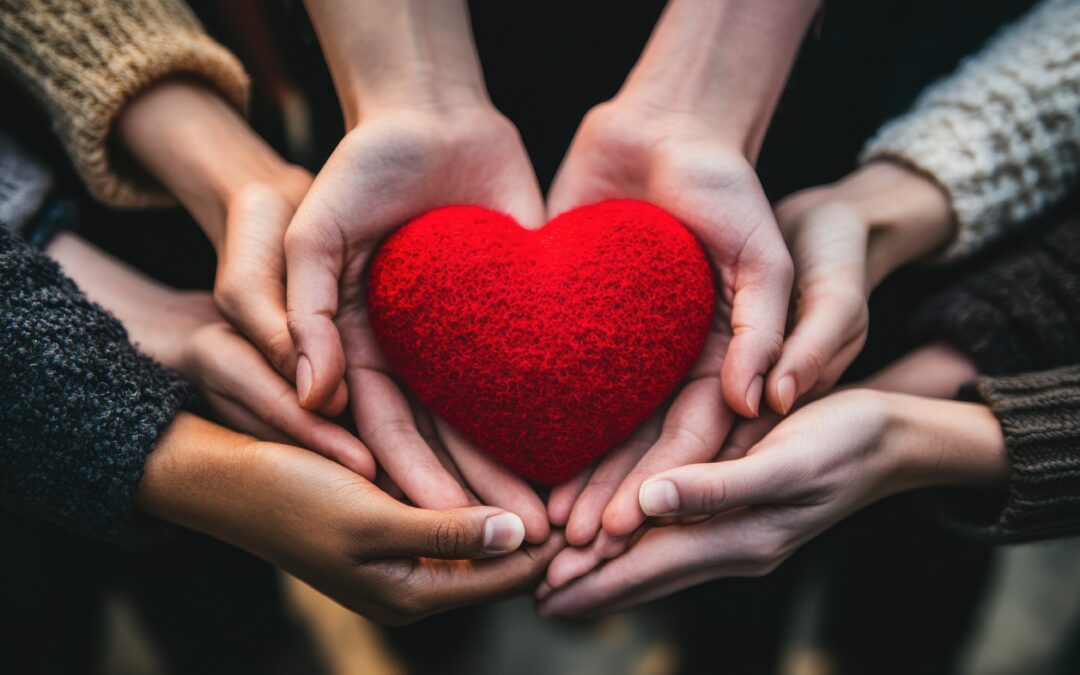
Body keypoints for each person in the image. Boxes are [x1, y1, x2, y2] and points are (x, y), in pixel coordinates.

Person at [538, 0, 1080, 616]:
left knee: (894, 581)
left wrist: (932, 434)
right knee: (724, 539)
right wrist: (871, 212)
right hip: (853, 156)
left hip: (971, 264)